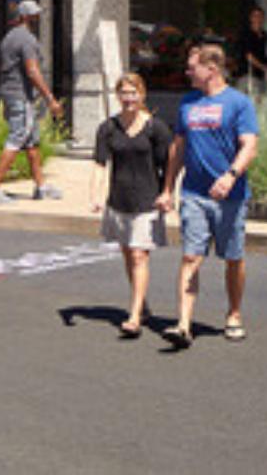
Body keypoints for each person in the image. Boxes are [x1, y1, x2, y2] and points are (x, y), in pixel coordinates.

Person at [158, 42, 260, 348]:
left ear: (211, 69)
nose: (187, 72)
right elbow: (178, 148)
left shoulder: (239, 103)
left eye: (193, 68)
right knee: (190, 256)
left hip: (230, 197)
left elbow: (249, 146)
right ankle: (183, 324)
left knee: (233, 258)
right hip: (194, 194)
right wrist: (167, 188)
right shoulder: (188, 102)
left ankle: (234, 314)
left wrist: (231, 176)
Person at [90, 72, 173, 337]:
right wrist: (95, 195)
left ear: (142, 94)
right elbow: (99, 163)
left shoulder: (155, 128)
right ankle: (142, 304)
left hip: (147, 201)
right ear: (118, 96)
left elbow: (169, 164)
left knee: (139, 255)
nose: (129, 98)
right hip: (119, 200)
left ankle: (134, 316)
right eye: (124, 93)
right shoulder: (108, 128)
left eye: (133, 93)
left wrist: (167, 193)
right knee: (128, 254)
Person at [0, 0, 64, 205]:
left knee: (31, 142)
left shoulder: (9, 37)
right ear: (26, 17)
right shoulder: (26, 39)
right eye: (35, 15)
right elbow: (32, 71)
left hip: (12, 94)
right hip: (21, 96)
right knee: (17, 138)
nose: (38, 18)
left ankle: (41, 186)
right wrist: (50, 99)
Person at [236, 6, 267, 90]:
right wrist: (264, 67)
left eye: (260, 16)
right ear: (250, 18)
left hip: (262, 76)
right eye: (255, 16)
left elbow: (266, 53)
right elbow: (249, 56)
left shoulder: (265, 35)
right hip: (248, 75)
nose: (258, 18)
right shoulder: (246, 34)